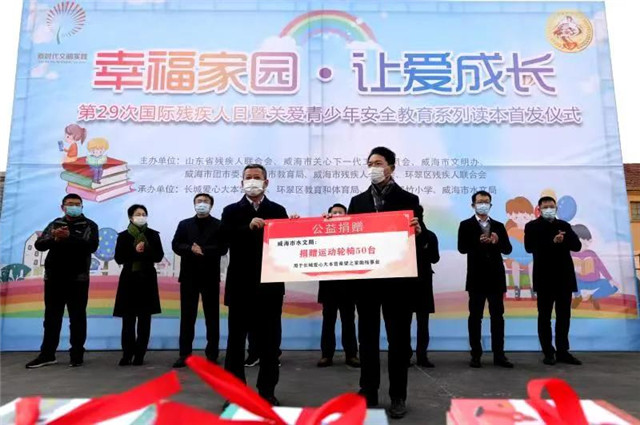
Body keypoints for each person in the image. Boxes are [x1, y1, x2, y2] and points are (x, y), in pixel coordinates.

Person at [346, 147, 425, 419]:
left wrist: (419, 232)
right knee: (367, 340)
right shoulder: (357, 201)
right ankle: (367, 391)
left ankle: (398, 396)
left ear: (391, 166)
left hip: (397, 283)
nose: (373, 168)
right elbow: (349, 239)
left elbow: (421, 241)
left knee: (398, 342)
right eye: (370, 163)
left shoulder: (409, 200)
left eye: (378, 163)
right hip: (367, 282)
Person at [221, 164, 289, 406]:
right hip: (240, 286)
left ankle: (267, 392)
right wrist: (247, 228)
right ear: (241, 183)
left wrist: (294, 227)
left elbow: (287, 244)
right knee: (236, 344)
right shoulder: (230, 211)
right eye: (248, 177)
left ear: (266, 182)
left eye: (257, 177)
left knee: (270, 344)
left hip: (270, 287)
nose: (252, 181)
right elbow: (223, 241)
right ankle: (235, 394)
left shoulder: (277, 210)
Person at [26, 194, 99, 369]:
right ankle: (47, 354)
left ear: (82, 207)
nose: (74, 207)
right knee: (51, 318)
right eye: (70, 204)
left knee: (77, 317)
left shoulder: (89, 225)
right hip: (54, 278)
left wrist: (69, 237)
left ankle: (77, 355)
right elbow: (39, 245)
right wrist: (54, 238)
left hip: (78, 279)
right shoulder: (55, 224)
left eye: (77, 204)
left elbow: (91, 246)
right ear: (63, 207)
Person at [458, 191, 513, 369]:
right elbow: (461, 248)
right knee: (475, 317)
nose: (483, 205)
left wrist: (497, 242)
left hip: (496, 278)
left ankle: (499, 355)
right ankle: (476, 354)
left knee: (498, 317)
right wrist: (477, 241)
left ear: (490, 205)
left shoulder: (499, 225)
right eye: (480, 202)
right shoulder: (465, 225)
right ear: (473, 205)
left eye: (486, 202)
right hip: (476, 278)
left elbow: (508, 249)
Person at [172, 193, 227, 368]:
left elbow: (223, 248)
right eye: (199, 201)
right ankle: (184, 354)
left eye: (205, 201)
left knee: (212, 317)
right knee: (187, 317)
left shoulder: (219, 225)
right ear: (194, 204)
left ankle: (212, 354)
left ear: (211, 205)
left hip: (210, 276)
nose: (202, 204)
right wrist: (190, 248)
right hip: (189, 276)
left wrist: (203, 249)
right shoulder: (184, 224)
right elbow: (176, 245)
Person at [525, 196, 582, 366]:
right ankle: (548, 352)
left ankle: (563, 351)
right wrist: (552, 241)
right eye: (545, 206)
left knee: (564, 316)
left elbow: (577, 246)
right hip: (544, 278)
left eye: (552, 206)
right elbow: (529, 247)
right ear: (539, 209)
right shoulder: (532, 226)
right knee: (545, 317)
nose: (549, 209)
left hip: (564, 277)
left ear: (556, 208)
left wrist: (565, 239)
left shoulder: (564, 225)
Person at [113, 204, 164, 366]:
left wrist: (146, 249)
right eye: (138, 214)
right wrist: (134, 250)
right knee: (128, 320)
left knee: (144, 319)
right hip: (129, 279)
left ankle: (140, 354)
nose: (141, 217)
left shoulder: (153, 235)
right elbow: (119, 258)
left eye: (143, 214)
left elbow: (158, 256)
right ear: (130, 217)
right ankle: (127, 353)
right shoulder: (123, 236)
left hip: (147, 279)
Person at [317, 203, 360, 369]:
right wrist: (322, 223)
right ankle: (326, 355)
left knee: (348, 322)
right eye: (333, 212)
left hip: (348, 286)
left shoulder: (353, 234)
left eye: (340, 213)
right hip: (328, 286)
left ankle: (352, 355)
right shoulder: (321, 231)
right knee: (328, 322)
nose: (336, 215)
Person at [410, 205, 439, 368]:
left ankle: (422, 356)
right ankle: (405, 355)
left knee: (423, 322)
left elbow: (435, 258)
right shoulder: (398, 236)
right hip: (404, 284)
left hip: (423, 283)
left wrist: (421, 238)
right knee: (402, 323)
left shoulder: (430, 236)